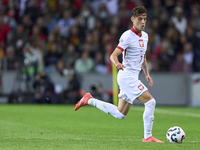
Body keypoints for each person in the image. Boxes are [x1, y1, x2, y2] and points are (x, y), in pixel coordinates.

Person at [74, 5, 164, 143]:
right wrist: (116, 63)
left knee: (120, 114)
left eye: (145, 19)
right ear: (132, 19)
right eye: (140, 19)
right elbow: (113, 55)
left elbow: (143, 56)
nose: (143, 22)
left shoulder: (145, 36)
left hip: (133, 76)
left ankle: (89, 100)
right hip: (126, 76)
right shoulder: (127, 36)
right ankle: (147, 137)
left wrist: (146, 74)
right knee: (151, 102)